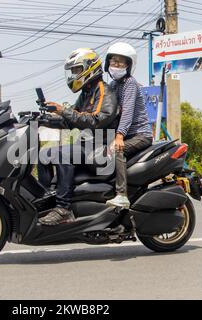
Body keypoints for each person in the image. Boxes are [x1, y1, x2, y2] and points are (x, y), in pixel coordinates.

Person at [38, 48, 119, 226]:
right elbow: (73, 120)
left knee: (63, 154)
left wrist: (64, 111)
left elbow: (96, 120)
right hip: (86, 146)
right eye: (73, 71)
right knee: (44, 155)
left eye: (76, 70)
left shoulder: (105, 91)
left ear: (89, 68)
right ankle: (45, 200)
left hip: (101, 148)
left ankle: (63, 209)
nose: (73, 75)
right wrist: (47, 119)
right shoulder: (86, 93)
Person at [104, 42, 153, 208]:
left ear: (128, 65)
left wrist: (119, 136)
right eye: (113, 61)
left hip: (140, 134)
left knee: (118, 149)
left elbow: (128, 112)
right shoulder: (113, 85)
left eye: (120, 62)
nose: (116, 65)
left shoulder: (130, 83)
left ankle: (122, 195)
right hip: (128, 135)